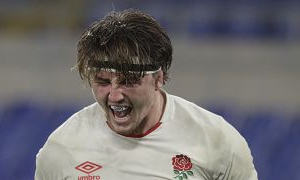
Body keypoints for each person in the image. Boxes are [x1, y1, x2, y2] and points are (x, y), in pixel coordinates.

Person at [35, 9, 258, 180]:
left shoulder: (217, 141)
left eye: (128, 82)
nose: (114, 96)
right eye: (103, 82)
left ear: (159, 78)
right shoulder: (61, 149)